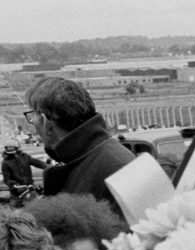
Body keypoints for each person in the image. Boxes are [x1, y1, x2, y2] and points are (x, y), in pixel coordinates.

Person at [24, 77, 134, 212]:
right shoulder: (105, 157)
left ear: (47, 123)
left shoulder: (115, 168)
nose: (32, 123)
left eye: (32, 116)